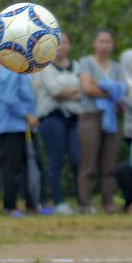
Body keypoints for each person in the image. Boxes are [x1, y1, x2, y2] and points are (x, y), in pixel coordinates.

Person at [76, 28, 123, 213]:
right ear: (94, 43)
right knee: (88, 162)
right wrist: (111, 91)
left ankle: (108, 203)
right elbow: (87, 88)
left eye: (108, 42)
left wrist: (101, 86)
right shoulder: (86, 62)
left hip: (111, 117)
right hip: (90, 116)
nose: (105, 45)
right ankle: (85, 203)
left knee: (109, 164)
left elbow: (123, 92)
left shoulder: (117, 67)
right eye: (101, 41)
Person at [33, 32, 80, 214]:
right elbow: (55, 92)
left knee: (77, 159)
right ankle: (58, 201)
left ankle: (80, 201)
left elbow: (83, 90)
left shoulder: (77, 66)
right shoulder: (44, 67)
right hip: (51, 118)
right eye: (57, 43)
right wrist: (75, 91)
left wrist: (66, 91)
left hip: (74, 119)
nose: (62, 46)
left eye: (65, 42)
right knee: (56, 159)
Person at [0, 66, 39, 217]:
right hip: (11, 127)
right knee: (11, 168)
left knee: (27, 167)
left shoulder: (23, 70)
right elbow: (9, 98)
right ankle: (10, 206)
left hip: (24, 128)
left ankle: (31, 205)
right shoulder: (11, 70)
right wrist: (27, 115)